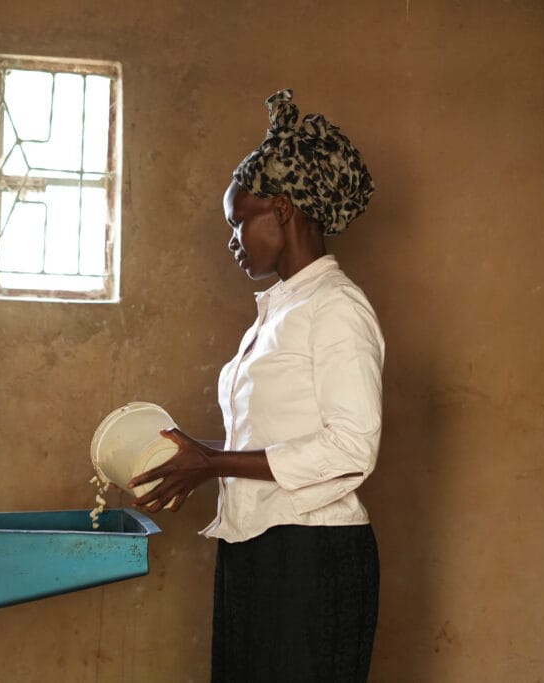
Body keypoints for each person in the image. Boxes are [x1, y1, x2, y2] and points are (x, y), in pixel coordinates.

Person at [128, 89, 383, 683]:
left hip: (313, 559)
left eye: (240, 220)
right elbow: (275, 432)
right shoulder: (279, 311)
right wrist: (197, 458)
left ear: (285, 210)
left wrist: (213, 461)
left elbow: (352, 448)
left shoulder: (338, 308)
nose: (233, 239)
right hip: (256, 547)